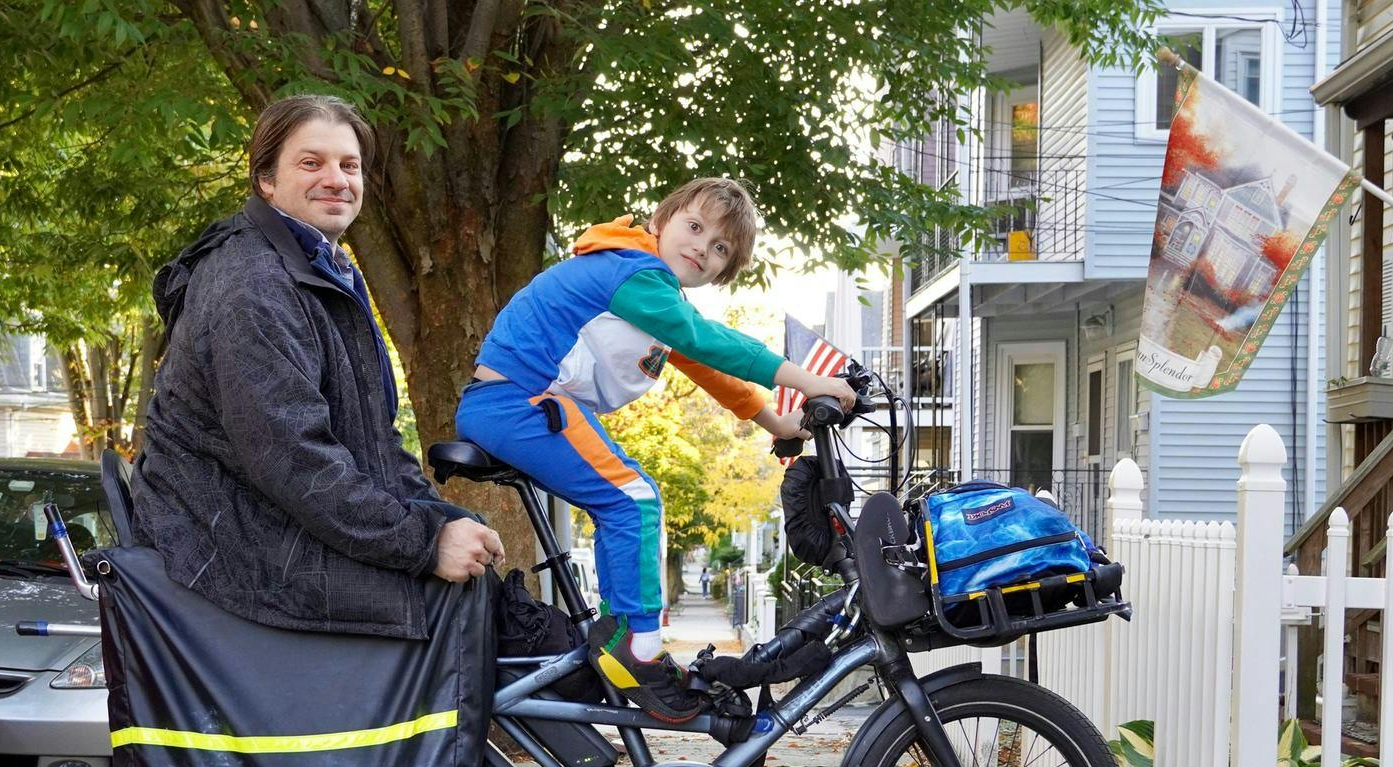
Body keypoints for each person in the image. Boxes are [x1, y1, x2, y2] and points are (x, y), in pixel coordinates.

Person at [456, 178, 856, 719]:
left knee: (625, 499)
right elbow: (706, 340)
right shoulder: (631, 271)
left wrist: (775, 420)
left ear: (725, 269)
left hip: (525, 403)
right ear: (661, 221)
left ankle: (620, 634)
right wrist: (808, 380)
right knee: (632, 499)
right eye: (694, 227)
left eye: (720, 248)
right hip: (517, 401)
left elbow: (710, 367)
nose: (702, 248)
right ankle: (636, 649)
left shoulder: (654, 296)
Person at [131, 94, 502, 640]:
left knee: (485, 579)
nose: (336, 180)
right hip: (236, 552)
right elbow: (293, 458)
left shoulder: (320, 272)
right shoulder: (252, 284)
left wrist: (440, 517)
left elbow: (374, 442)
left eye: (349, 165)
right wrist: (423, 543)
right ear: (265, 179)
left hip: (278, 529)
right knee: (464, 618)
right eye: (311, 163)